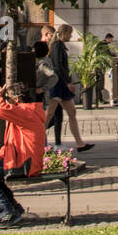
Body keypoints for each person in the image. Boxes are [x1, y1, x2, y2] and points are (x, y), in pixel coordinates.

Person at [0, 82, 46, 228]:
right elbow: (14, 142)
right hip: (23, 160)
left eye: (8, 97)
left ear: (17, 99)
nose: (6, 100)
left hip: (25, 164)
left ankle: (8, 212)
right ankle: (13, 208)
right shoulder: (27, 112)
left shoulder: (25, 112)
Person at [43, 24, 93, 153]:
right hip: (59, 85)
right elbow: (58, 67)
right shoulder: (57, 47)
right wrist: (67, 82)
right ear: (64, 33)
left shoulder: (58, 46)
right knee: (49, 115)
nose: (71, 36)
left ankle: (80, 143)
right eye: (69, 33)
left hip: (60, 85)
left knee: (69, 113)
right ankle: (37, 139)